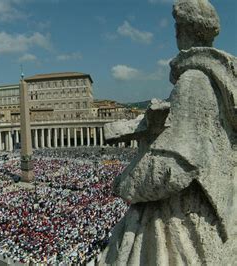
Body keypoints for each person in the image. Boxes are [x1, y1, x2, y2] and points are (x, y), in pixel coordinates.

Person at [100, 0, 235, 265]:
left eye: (176, 26)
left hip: (185, 216)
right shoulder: (220, 80)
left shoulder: (194, 80)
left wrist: (126, 183)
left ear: (183, 30)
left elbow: (175, 165)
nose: (175, 33)